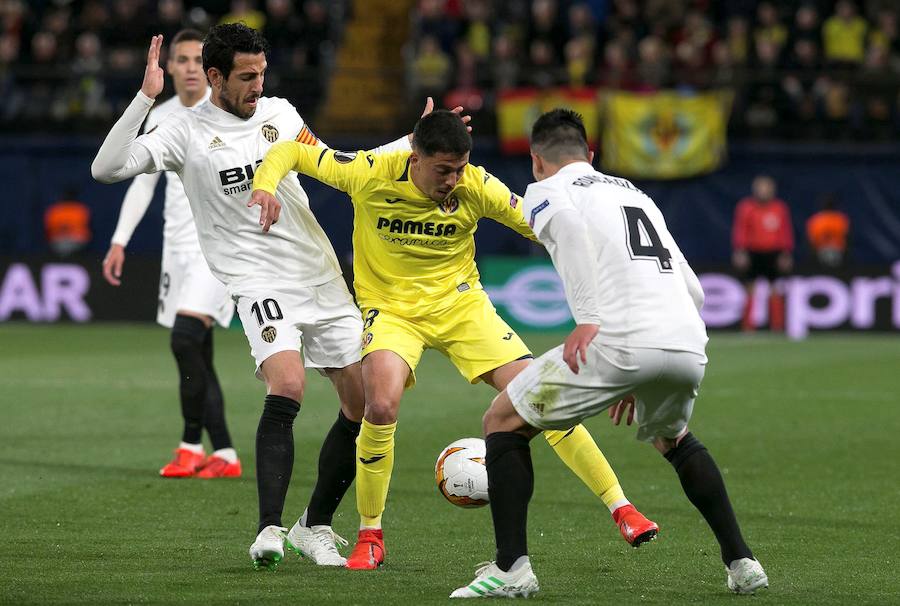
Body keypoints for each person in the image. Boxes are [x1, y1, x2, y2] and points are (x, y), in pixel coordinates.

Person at [251, 110, 658, 571]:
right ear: (415, 158)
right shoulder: (366, 173)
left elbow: (541, 225)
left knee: (541, 394)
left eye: (460, 168)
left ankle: (621, 507)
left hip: (462, 307)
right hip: (393, 311)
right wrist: (265, 184)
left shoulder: (476, 185)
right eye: (443, 170)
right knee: (379, 404)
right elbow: (289, 150)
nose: (453, 180)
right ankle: (370, 535)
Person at [91, 24, 413, 571]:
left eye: (262, 73)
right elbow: (107, 169)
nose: (258, 85)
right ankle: (268, 527)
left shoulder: (282, 115)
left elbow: (339, 164)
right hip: (258, 283)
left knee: (364, 405)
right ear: (215, 77)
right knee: (287, 384)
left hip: (319, 274)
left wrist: (411, 142)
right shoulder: (182, 131)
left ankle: (314, 526)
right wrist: (145, 98)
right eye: (246, 76)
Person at [450, 109, 767, 598]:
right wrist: (637, 369)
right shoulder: (635, 193)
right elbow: (695, 290)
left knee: (501, 421)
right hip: (685, 339)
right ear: (590, 155)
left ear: (537, 160)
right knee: (673, 437)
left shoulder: (547, 191)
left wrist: (590, 320)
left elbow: (572, 236)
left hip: (619, 337)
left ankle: (510, 569)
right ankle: (743, 563)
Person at [101, 29, 240, 480]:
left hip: (215, 251)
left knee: (184, 339)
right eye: (180, 60)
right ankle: (220, 452)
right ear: (170, 67)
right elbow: (140, 182)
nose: (189, 67)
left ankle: (190, 442)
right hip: (176, 251)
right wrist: (120, 239)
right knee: (197, 349)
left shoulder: (226, 115)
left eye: (197, 60)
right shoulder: (161, 115)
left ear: (211, 68)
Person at [731, 175, 793, 331]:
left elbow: (785, 231)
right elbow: (741, 230)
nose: (764, 191)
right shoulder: (746, 207)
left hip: (773, 252)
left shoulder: (779, 208)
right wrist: (740, 250)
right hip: (753, 252)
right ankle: (748, 327)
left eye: (767, 188)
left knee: (776, 289)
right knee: (750, 288)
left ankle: (777, 326)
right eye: (761, 187)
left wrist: (786, 252)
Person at [806, 194, 849, 268]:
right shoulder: (841, 219)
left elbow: (811, 241)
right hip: (836, 252)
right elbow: (847, 238)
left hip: (822, 252)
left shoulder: (815, 220)